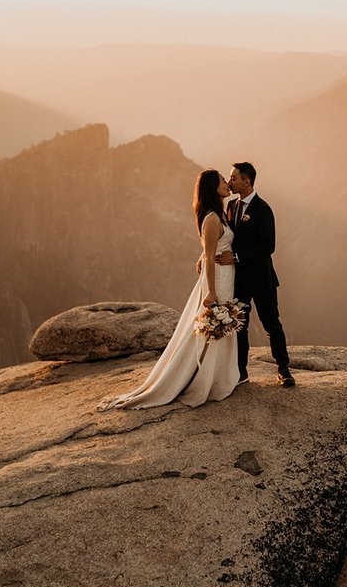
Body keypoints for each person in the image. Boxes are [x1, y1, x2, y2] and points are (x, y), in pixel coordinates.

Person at [96, 169, 241, 411]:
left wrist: (206, 258)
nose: (227, 183)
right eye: (222, 181)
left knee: (220, 325)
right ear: (212, 188)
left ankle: (217, 376)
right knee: (214, 324)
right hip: (217, 279)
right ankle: (206, 380)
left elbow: (209, 248)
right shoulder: (214, 218)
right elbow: (209, 255)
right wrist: (211, 291)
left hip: (225, 275)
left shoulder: (218, 215)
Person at [217, 161, 295, 387]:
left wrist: (237, 257)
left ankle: (283, 369)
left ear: (246, 181)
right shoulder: (230, 206)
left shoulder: (263, 209)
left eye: (233, 178)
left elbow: (268, 246)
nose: (230, 181)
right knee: (240, 325)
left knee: (271, 324)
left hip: (262, 279)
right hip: (239, 280)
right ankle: (241, 371)